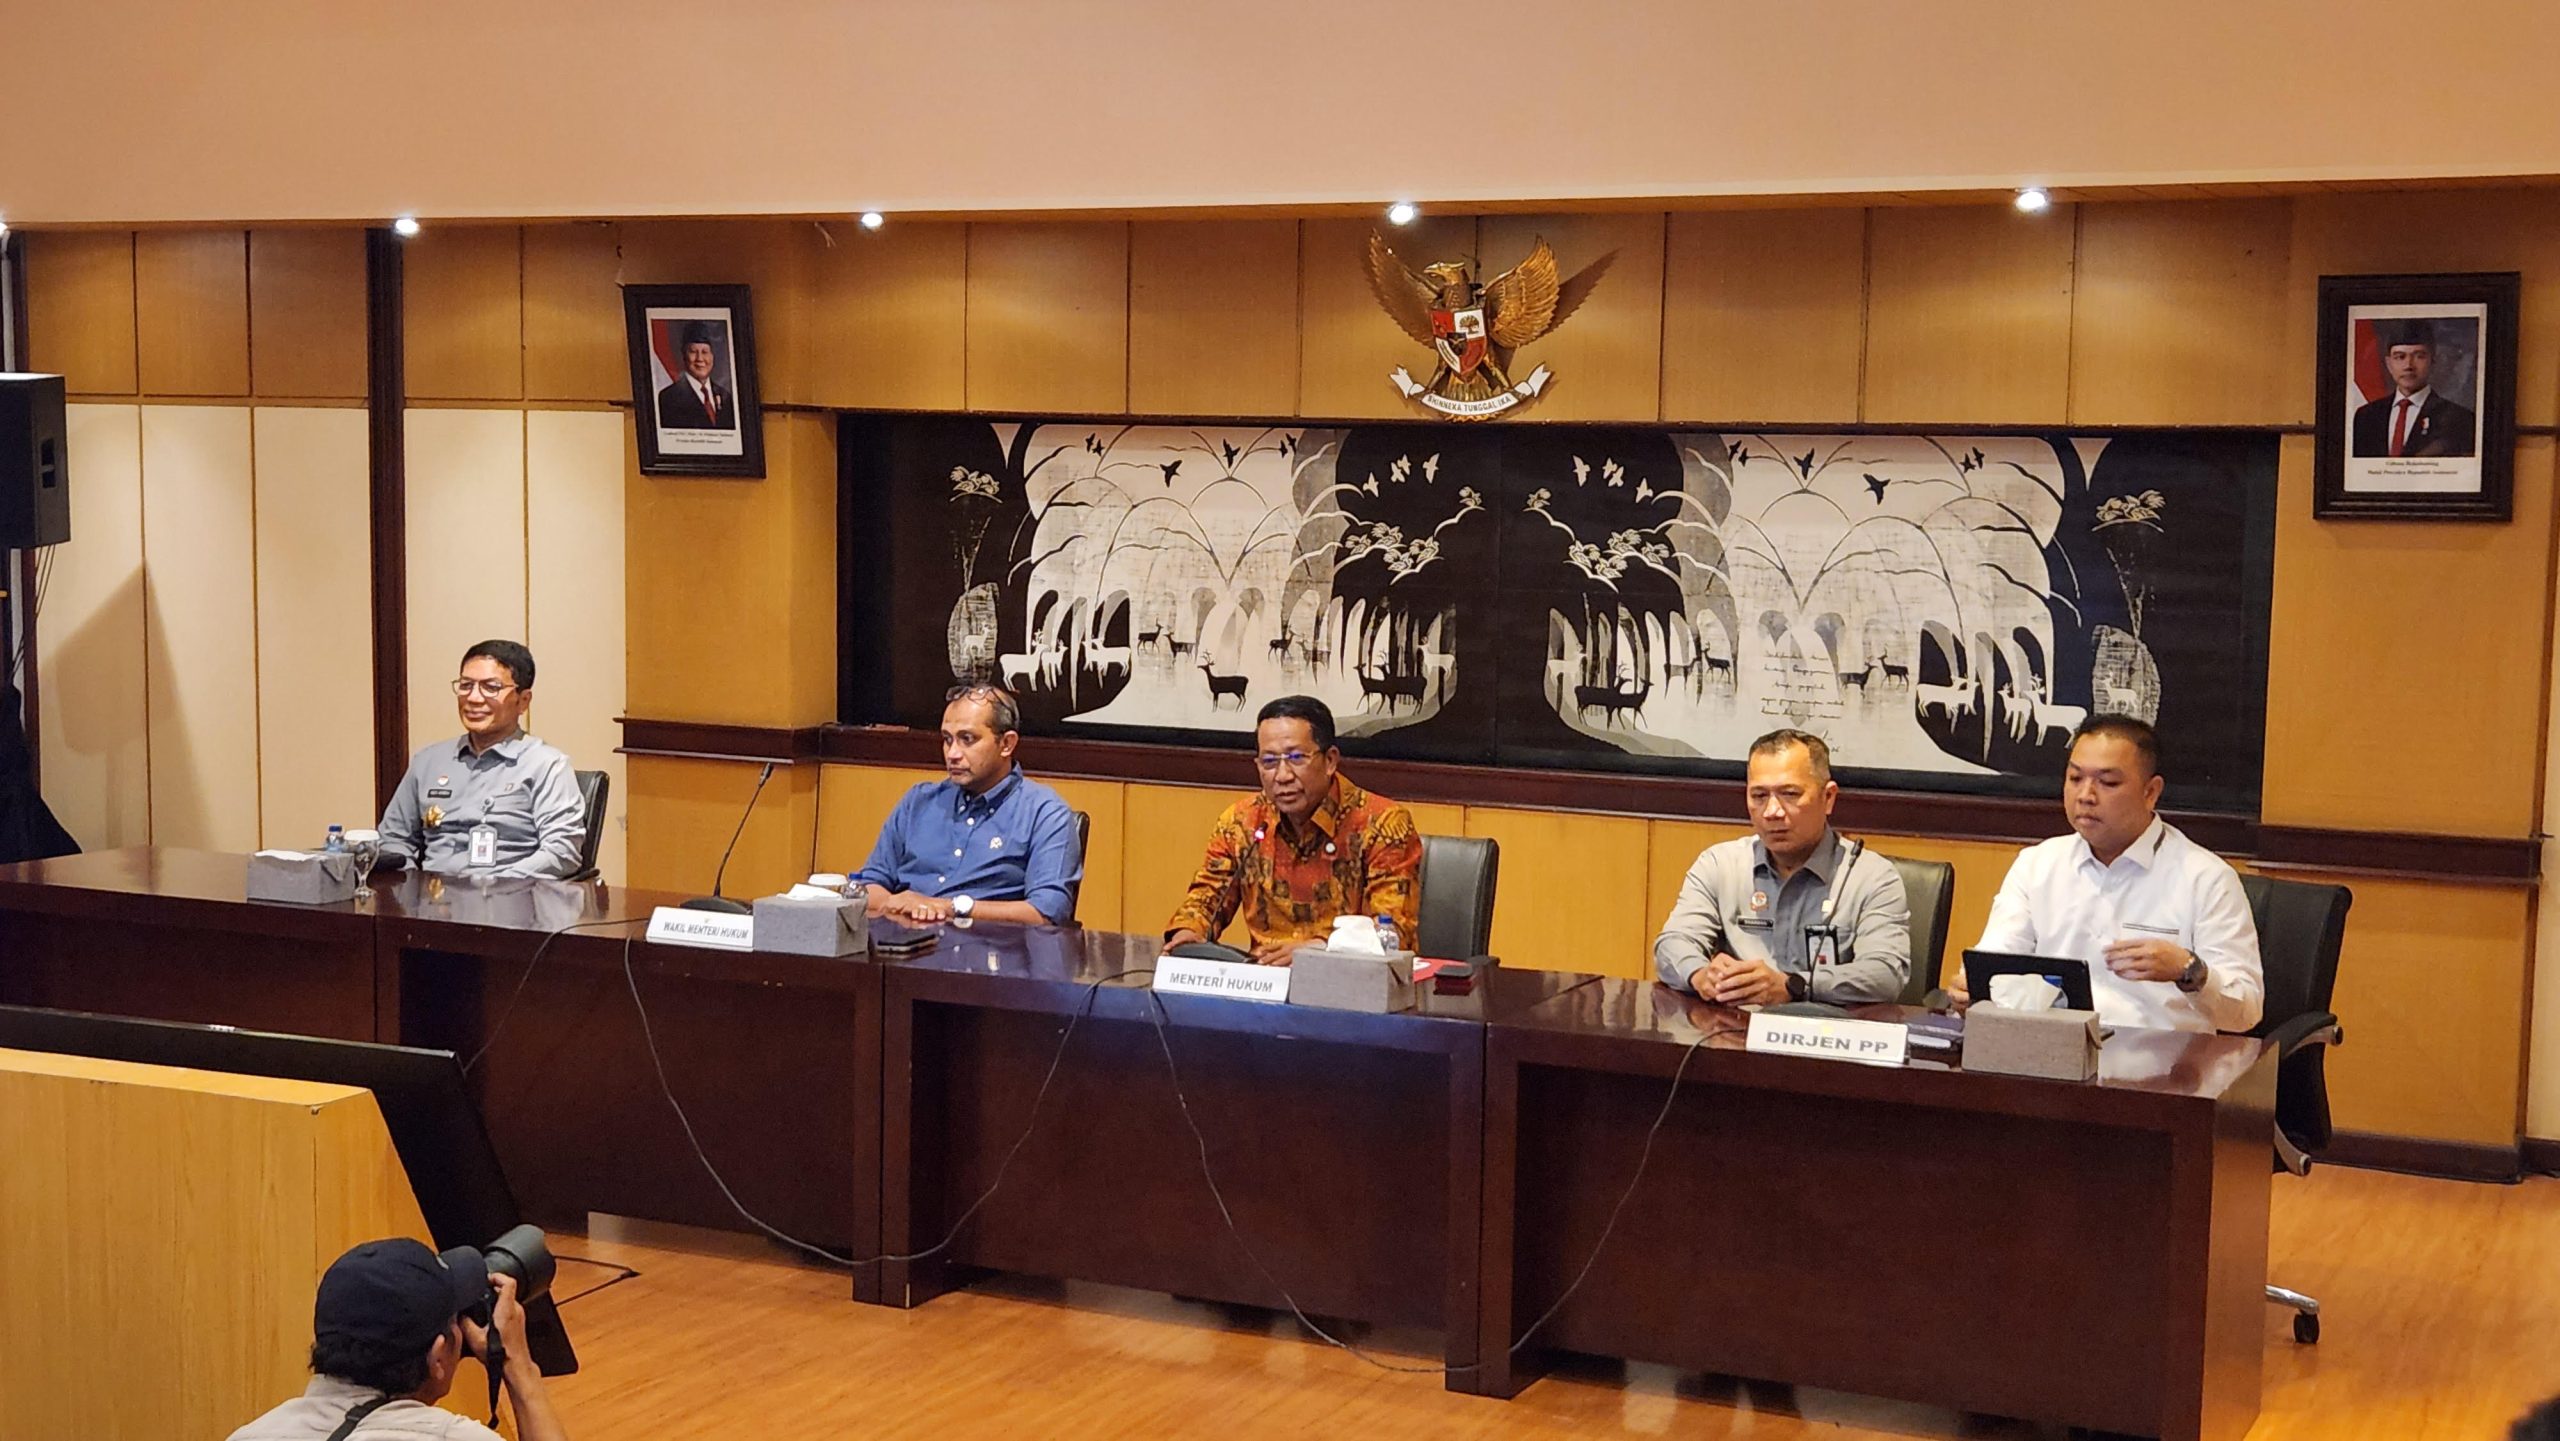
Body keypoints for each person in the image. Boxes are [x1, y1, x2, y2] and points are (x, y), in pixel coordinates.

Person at [1966, 715, 2263, 1033]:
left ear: (2150, 792)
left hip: (2166, 1058)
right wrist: (1975, 989)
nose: (2085, 795)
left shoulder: (2206, 878)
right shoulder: (2037, 865)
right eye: (2075, 778)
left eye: (2107, 783)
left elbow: (2246, 1012)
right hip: (2053, 1049)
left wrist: (2187, 970)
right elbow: (1995, 965)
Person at [1652, 728, 1912, 1005]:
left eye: (1789, 794)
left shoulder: (1872, 877)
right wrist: (1700, 974)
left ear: (1828, 798)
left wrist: (1793, 986)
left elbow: (1885, 974)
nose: (1772, 811)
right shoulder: (1719, 865)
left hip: (1829, 1027)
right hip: (1738, 1024)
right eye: (1759, 796)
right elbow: (1672, 944)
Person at [227, 1236, 567, 1441]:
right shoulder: (453, 1437)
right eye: (455, 1322)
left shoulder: (250, 1435)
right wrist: (519, 1369)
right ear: (437, 1357)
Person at [1165, 694, 1421, 965]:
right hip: (1264, 978)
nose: (1283, 775)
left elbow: (1392, 933)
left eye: (1297, 758)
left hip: (1351, 981)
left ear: (1330, 760)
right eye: (1269, 761)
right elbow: (1206, 899)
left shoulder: (1382, 824)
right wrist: (1187, 932)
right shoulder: (1241, 822)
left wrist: (1316, 951)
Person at [851, 683, 1082, 925]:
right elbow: (869, 884)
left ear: (1007, 744)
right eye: (947, 739)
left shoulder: (1045, 813)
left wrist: (950, 907)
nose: (952, 754)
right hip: (902, 940)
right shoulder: (918, 802)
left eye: (967, 739)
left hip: (988, 945)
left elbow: (1046, 912)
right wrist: (899, 904)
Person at [378, 641, 586, 879]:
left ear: (523, 701)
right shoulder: (428, 762)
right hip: (431, 896)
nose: (474, 698)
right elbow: (393, 839)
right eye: (466, 685)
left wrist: (496, 885)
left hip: (510, 896)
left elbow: (562, 852)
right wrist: (412, 884)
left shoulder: (546, 765)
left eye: (491, 687)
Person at [2350, 318, 2477, 458]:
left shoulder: (2460, 419)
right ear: (2388, 364)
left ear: (2433, 361)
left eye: (2419, 356)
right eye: (2400, 357)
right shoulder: (2366, 417)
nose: (2408, 366)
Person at [653, 322, 736, 430]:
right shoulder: (669, 398)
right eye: (693, 352)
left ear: (712, 356)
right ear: (684, 355)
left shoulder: (726, 397)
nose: (700, 358)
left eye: (705, 352)